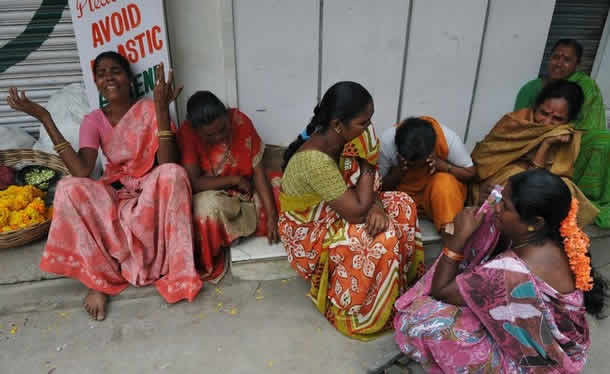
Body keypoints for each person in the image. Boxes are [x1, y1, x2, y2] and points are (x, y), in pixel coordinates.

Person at [7, 51, 203, 321]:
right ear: (96, 83)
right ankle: (98, 282)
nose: (109, 77)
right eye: (101, 74)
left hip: (150, 192)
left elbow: (168, 162)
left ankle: (174, 269)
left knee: (173, 173)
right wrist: (44, 118)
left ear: (129, 79)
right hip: (116, 193)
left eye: (116, 71)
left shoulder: (149, 108)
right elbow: (82, 170)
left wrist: (160, 110)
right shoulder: (94, 120)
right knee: (68, 188)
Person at [394, 169, 607, 373]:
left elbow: (440, 290)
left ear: (535, 223)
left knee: (423, 321)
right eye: (500, 198)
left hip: (538, 365)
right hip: (563, 349)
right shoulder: (558, 236)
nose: (495, 208)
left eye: (504, 206)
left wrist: (457, 240)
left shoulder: (509, 271)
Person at [279, 81, 425, 340]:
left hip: (341, 209)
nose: (369, 129)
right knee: (381, 239)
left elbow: (365, 191)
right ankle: (354, 307)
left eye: (370, 121)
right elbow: (357, 211)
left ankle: (393, 289)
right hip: (310, 237)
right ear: (337, 124)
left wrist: (377, 205)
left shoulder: (344, 141)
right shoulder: (314, 160)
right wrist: (369, 162)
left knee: (403, 204)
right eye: (363, 123)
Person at [177, 91, 280, 282]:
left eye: (223, 129)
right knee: (206, 210)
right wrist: (233, 180)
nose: (219, 136)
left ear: (226, 115)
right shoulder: (187, 133)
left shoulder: (240, 120)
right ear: (197, 131)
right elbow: (194, 182)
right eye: (210, 135)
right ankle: (228, 238)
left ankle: (247, 230)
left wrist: (272, 214)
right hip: (213, 193)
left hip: (247, 189)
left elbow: (258, 171)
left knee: (281, 188)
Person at [471, 79, 599, 226]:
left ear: (568, 121)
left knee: (567, 189)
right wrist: (546, 143)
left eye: (557, 118)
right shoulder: (514, 122)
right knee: (513, 176)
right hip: (495, 182)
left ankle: (548, 233)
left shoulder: (567, 135)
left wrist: (545, 144)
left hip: (537, 193)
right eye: (543, 113)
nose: (547, 122)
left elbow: (545, 183)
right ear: (536, 107)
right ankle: (491, 226)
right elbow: (483, 159)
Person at [515, 38, 610, 228]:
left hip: (573, 140)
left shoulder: (585, 87)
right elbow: (520, 123)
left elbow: (589, 124)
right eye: (556, 57)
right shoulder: (531, 88)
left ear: (577, 64)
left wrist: (563, 131)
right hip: (533, 141)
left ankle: (587, 197)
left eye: (567, 59)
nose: (559, 63)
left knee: (603, 141)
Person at [379, 116, 475, 232]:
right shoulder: (387, 142)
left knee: (445, 183)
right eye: (411, 164)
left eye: (420, 163)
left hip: (435, 201)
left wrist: (444, 166)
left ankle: (450, 236)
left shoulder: (448, 138)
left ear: (432, 151)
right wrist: (398, 173)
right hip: (405, 201)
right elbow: (377, 187)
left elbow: (470, 173)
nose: (415, 168)